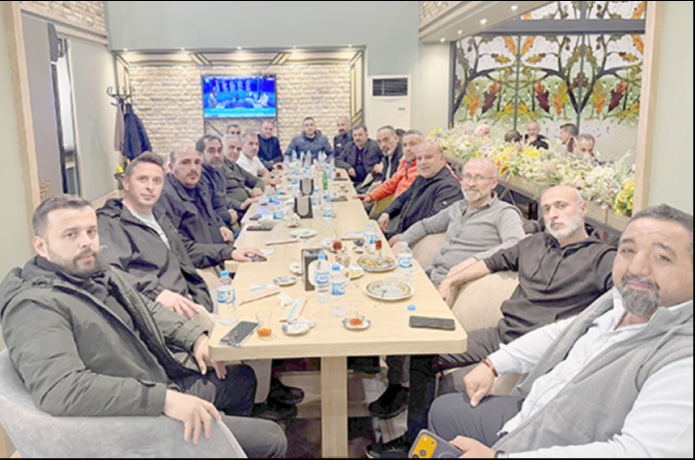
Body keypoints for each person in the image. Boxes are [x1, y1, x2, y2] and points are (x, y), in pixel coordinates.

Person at [0, 195, 287, 458]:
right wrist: (164, 399)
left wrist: (195, 338)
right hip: (137, 416)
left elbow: (147, 309)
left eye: (91, 231)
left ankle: (218, 445)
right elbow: (61, 390)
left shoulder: (94, 272)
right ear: (41, 245)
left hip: (157, 377)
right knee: (272, 439)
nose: (86, 242)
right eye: (71, 234)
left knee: (241, 379)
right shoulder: (34, 306)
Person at [366, 185, 618, 457]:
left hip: (544, 351)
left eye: (561, 206)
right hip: (501, 334)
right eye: (546, 209)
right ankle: (413, 439)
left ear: (582, 209)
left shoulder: (604, 259)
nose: (553, 214)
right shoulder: (533, 244)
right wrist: (451, 280)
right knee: (425, 351)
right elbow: (490, 262)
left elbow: (622, 310)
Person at [428, 203, 693, 459]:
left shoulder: (682, 355)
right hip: (532, 413)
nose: (636, 268)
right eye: (628, 250)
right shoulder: (616, 304)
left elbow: (640, 453)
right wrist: (494, 364)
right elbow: (560, 333)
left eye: (662, 257)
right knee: (443, 410)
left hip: (557, 442)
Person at [97, 152, 213, 319]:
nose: (150, 187)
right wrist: (157, 293)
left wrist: (230, 252)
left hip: (191, 301)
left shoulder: (158, 216)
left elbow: (185, 251)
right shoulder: (111, 223)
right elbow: (108, 272)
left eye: (157, 181)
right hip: (162, 315)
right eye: (142, 179)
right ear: (126, 183)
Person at [390, 157, 525, 287]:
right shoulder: (458, 206)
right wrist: (402, 241)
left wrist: (475, 260)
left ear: (494, 183)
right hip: (429, 275)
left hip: (456, 284)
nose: (471, 183)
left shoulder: (504, 212)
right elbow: (426, 225)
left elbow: (516, 244)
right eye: (467, 176)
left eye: (479, 178)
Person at [157, 146, 263, 269]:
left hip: (217, 254)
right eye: (185, 162)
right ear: (171, 167)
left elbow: (211, 211)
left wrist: (220, 225)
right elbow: (179, 248)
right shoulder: (166, 197)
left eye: (197, 162)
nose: (193, 168)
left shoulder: (199, 185)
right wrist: (227, 253)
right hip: (198, 267)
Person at [377, 141, 462, 240]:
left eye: (428, 157)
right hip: (402, 232)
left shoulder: (450, 187)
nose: (423, 162)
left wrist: (404, 237)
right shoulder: (421, 178)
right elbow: (403, 198)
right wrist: (386, 213)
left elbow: (434, 223)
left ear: (441, 159)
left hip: (418, 241)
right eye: (419, 158)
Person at [354, 129, 423, 205]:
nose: (408, 149)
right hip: (395, 205)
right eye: (405, 145)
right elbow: (391, 183)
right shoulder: (403, 163)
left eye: (412, 144)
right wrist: (371, 196)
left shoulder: (423, 169)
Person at [197, 134, 239, 230]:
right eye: (211, 151)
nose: (217, 155)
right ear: (199, 155)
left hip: (227, 223)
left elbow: (222, 199)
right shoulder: (200, 177)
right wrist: (228, 217)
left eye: (219, 151)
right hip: (215, 228)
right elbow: (206, 212)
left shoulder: (219, 172)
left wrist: (230, 209)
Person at [220, 135, 265, 219]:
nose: (235, 151)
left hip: (248, 210)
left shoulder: (236, 167)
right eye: (231, 147)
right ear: (222, 149)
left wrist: (258, 188)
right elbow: (218, 198)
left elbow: (258, 181)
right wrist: (240, 205)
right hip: (234, 214)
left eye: (238, 149)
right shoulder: (219, 168)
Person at [334, 124, 383, 191]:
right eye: (355, 135)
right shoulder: (349, 146)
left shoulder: (375, 146)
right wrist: (348, 167)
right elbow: (338, 160)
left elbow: (386, 158)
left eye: (360, 135)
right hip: (353, 181)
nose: (357, 138)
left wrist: (382, 165)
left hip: (370, 181)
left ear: (366, 135)